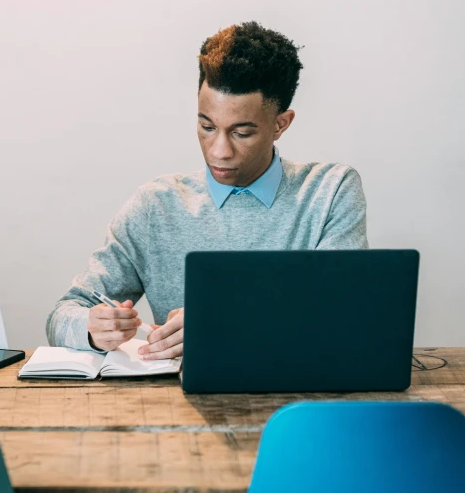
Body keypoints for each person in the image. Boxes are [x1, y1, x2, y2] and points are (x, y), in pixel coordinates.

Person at [46, 21, 368, 359]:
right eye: (207, 126)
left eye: (242, 133)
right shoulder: (156, 205)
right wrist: (92, 328)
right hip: (179, 405)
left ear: (280, 124)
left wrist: (222, 321)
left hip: (300, 396)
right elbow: (63, 314)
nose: (219, 151)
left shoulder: (330, 192)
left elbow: (342, 315)